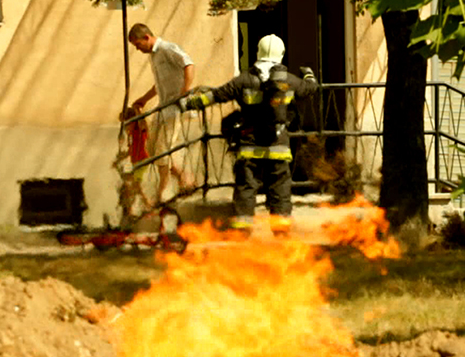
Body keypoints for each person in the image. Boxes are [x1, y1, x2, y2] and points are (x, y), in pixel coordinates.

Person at [179, 34, 317, 233]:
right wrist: (309, 74)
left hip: (249, 145)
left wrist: (190, 103)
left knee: (246, 187)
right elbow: (310, 89)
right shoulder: (288, 80)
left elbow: (217, 95)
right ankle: (281, 232)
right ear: (282, 54)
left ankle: (242, 233)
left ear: (258, 52)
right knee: (280, 189)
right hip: (277, 145)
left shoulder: (244, 79)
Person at [127, 23, 196, 202]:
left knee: (162, 150)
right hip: (163, 106)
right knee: (151, 148)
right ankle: (184, 178)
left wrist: (185, 91)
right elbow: (159, 84)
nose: (137, 48)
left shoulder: (167, 49)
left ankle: (163, 193)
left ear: (147, 38)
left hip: (175, 108)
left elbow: (188, 64)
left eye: (138, 44)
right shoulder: (153, 56)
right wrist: (144, 98)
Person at [114, 107, 152, 221]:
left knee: (136, 185)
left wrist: (137, 111)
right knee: (128, 186)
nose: (125, 127)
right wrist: (119, 159)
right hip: (135, 162)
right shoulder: (131, 134)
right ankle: (130, 210)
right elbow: (131, 150)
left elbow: (143, 124)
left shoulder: (139, 129)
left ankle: (148, 205)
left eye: (127, 123)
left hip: (143, 160)